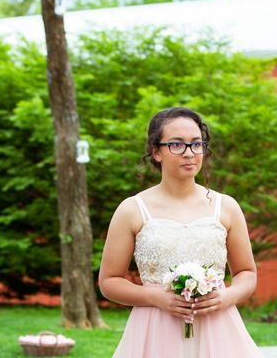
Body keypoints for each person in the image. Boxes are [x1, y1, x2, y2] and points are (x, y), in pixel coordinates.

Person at [99, 107, 262, 358]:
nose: (189, 153)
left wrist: (227, 297)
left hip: (218, 330)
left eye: (197, 144)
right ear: (156, 152)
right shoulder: (132, 209)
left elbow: (246, 273)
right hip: (154, 331)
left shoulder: (226, 206)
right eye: (177, 144)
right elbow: (109, 281)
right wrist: (155, 297)